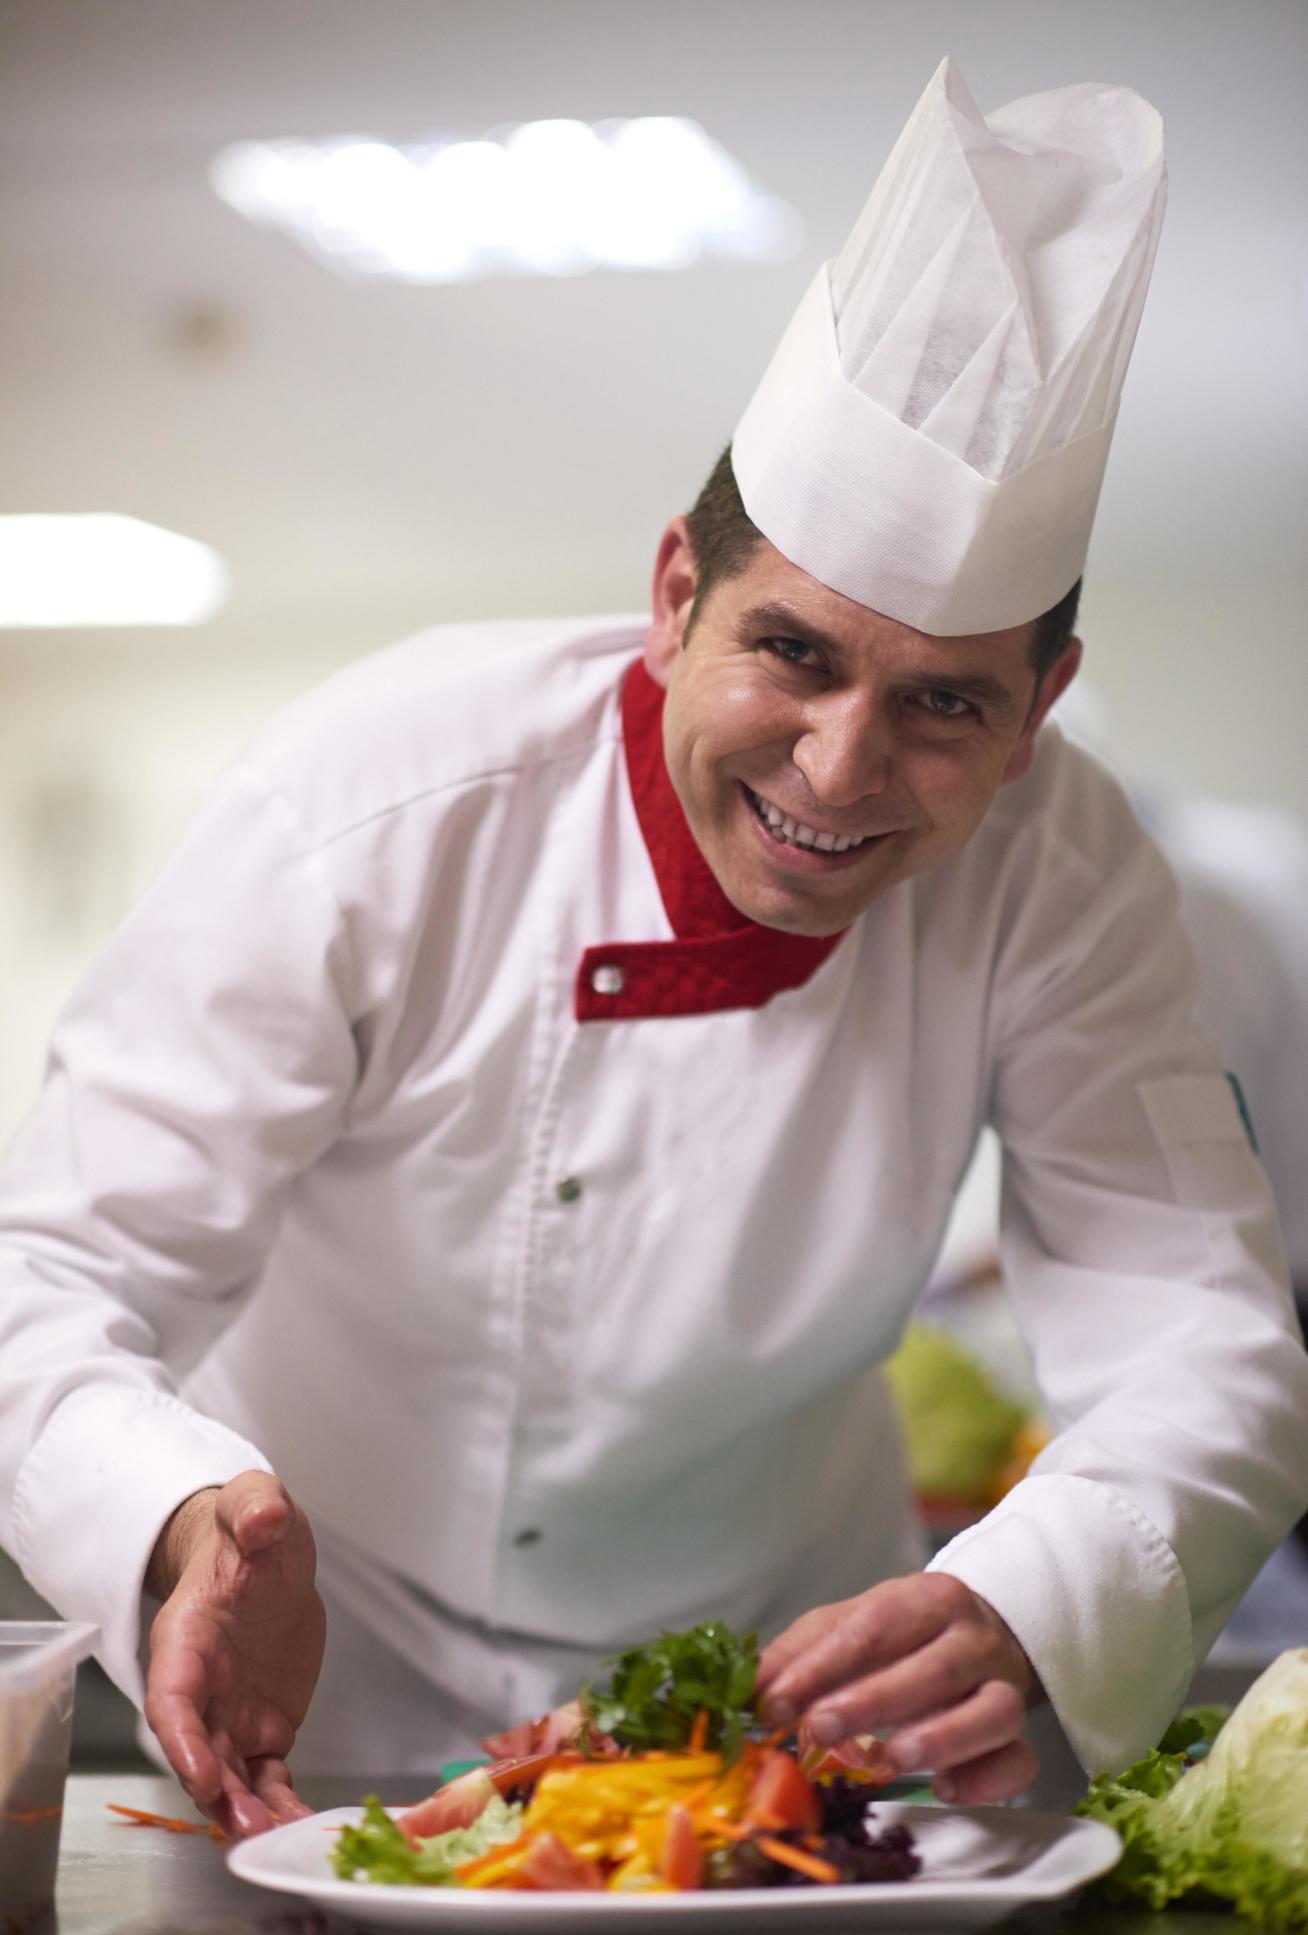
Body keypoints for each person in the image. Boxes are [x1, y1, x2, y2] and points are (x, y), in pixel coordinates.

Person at [2, 59, 1307, 1843]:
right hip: (322, 1691)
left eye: (945, 701)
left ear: (1040, 706)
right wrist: (178, 1517)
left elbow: (1196, 1333)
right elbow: (51, 1276)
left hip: (794, 1718)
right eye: (795, 655)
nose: (842, 771)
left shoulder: (1063, 870)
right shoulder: (372, 799)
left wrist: (1035, 1594)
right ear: (676, 596)